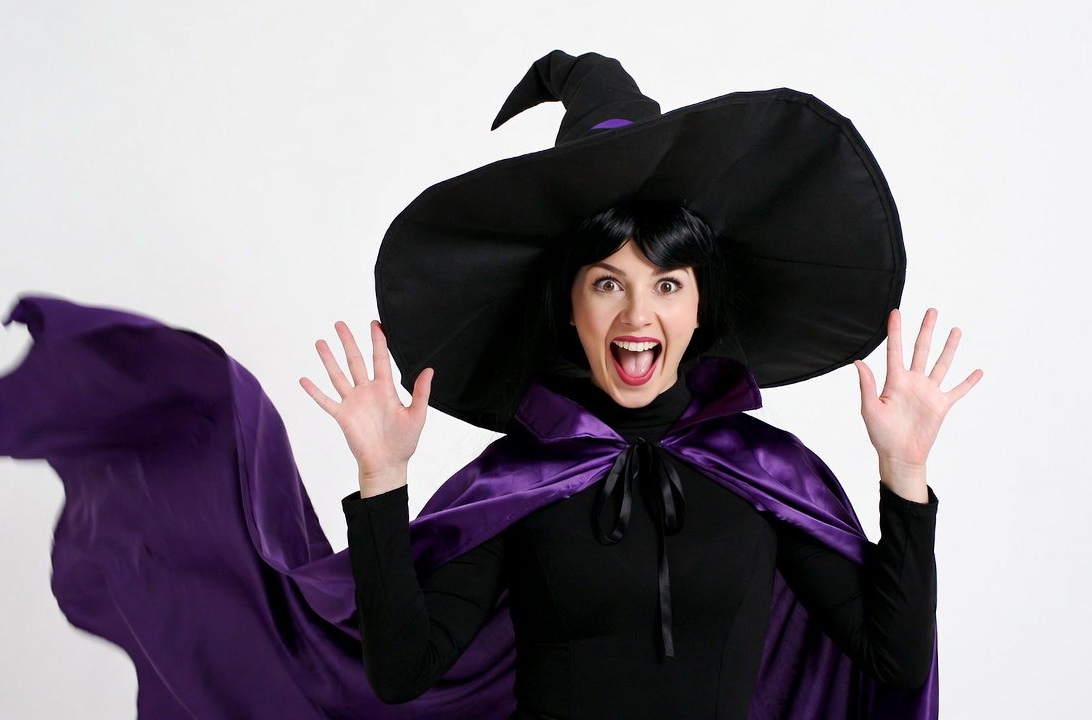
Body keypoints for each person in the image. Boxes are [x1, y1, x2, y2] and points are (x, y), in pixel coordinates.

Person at [301, 52, 982, 719]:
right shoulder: (515, 480)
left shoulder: (766, 471)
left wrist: (904, 472)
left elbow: (894, 659)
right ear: (571, 309)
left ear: (700, 307)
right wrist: (382, 478)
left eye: (667, 285)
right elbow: (402, 673)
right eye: (607, 284)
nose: (636, 315)